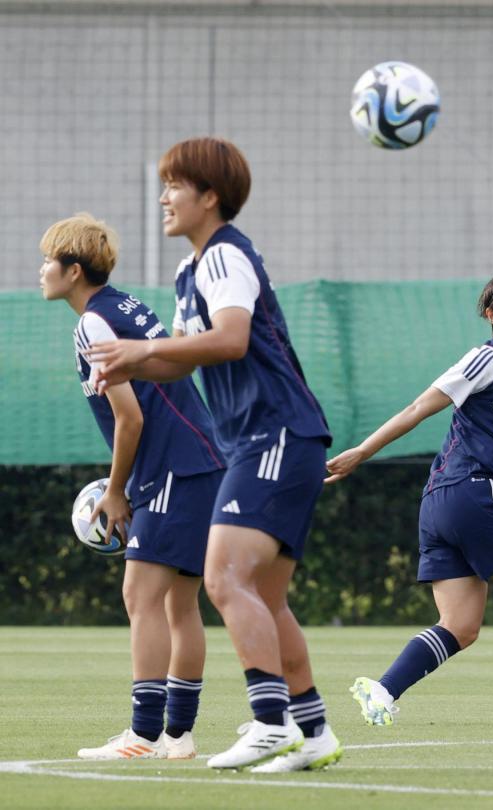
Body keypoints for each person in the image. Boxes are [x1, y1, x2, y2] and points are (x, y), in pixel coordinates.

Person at [85, 138, 342, 772]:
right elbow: (179, 360)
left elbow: (229, 340)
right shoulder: (188, 272)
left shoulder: (225, 255)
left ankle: (269, 720)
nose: (164, 197)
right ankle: (312, 732)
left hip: (276, 433)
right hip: (267, 439)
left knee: (225, 577)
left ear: (210, 196)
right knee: (265, 595)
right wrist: (134, 365)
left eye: (176, 185)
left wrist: (138, 354)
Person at [325, 271, 493, 727]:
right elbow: (418, 407)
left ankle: (382, 690)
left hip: (443, 501)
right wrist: (363, 452)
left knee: (461, 626)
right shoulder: (486, 360)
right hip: (474, 491)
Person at [39, 213, 225, 760]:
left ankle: (143, 735)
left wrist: (116, 490)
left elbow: (131, 418)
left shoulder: (93, 323)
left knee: (139, 595)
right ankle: (178, 736)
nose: (42, 270)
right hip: (201, 460)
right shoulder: (128, 306)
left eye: (48, 261)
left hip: (172, 467)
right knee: (180, 604)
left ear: (73, 270)